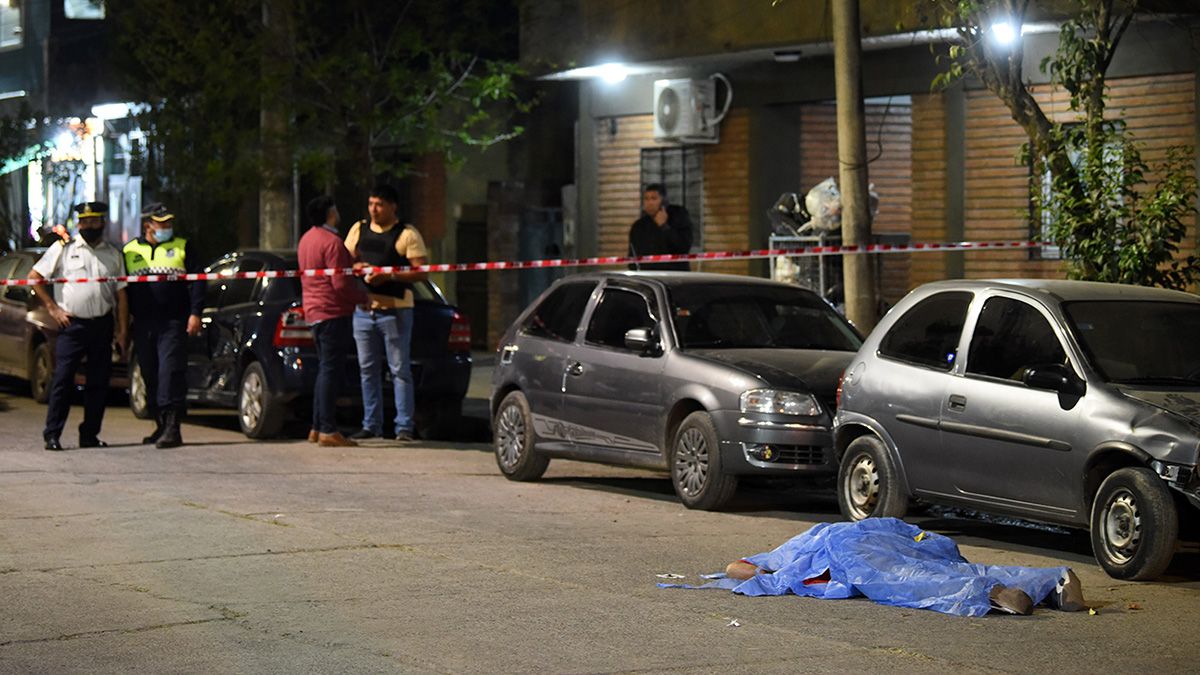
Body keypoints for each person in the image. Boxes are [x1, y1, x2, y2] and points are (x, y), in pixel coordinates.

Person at [29, 202, 129, 451]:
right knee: (62, 379)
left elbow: (121, 295)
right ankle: (52, 434)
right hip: (72, 325)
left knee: (98, 382)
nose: (88, 226)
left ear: (102, 223)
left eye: (93, 221)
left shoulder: (113, 254)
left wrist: (122, 330)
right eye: (84, 222)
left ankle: (90, 435)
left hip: (102, 324)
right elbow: (34, 278)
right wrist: (53, 309)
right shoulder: (63, 249)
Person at [344, 184, 429, 442]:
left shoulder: (407, 234)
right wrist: (355, 267)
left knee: (399, 370)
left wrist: (389, 275)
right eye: (371, 204)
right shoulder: (358, 229)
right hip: (363, 311)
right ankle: (371, 425)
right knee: (367, 369)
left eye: (379, 204)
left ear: (393, 206)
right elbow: (344, 260)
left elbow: (421, 272)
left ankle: (403, 427)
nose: (374, 209)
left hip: (395, 311)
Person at [122, 203, 204, 449]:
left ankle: (173, 428)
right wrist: (122, 324)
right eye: (161, 223)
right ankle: (160, 424)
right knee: (150, 374)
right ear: (147, 225)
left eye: (169, 222)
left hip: (172, 322)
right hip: (143, 323)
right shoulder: (130, 250)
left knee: (170, 373)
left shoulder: (182, 246)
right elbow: (122, 290)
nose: (167, 226)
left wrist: (195, 313)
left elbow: (199, 281)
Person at [298, 195, 367, 447]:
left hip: (314, 312)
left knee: (324, 369)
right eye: (335, 209)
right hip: (333, 312)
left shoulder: (306, 240)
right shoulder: (333, 243)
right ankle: (328, 429)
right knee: (330, 371)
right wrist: (362, 298)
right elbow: (340, 284)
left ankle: (317, 427)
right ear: (329, 213)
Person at [627, 183, 693, 271]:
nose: (650, 203)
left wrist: (664, 226)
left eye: (654, 198)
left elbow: (683, 247)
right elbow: (633, 256)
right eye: (646, 199)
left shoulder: (679, 216)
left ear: (663, 201)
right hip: (648, 274)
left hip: (675, 273)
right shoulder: (638, 226)